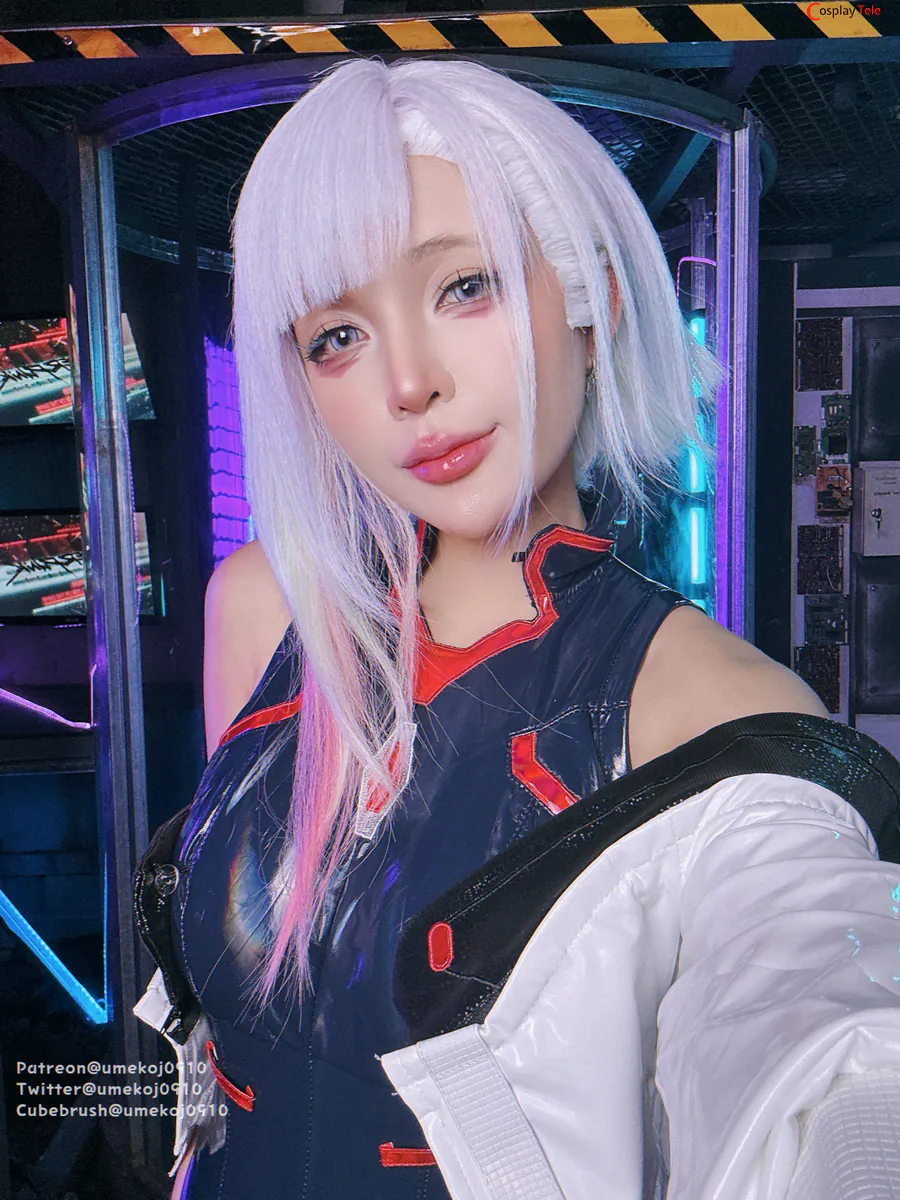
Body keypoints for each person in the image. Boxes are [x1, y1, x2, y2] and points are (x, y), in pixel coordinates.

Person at [133, 57, 900, 1200]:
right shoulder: (265, 608)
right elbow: (227, 1051)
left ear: (593, 307)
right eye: (337, 337)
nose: (408, 383)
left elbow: (819, 1038)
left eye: (465, 286)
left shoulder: (711, 707)